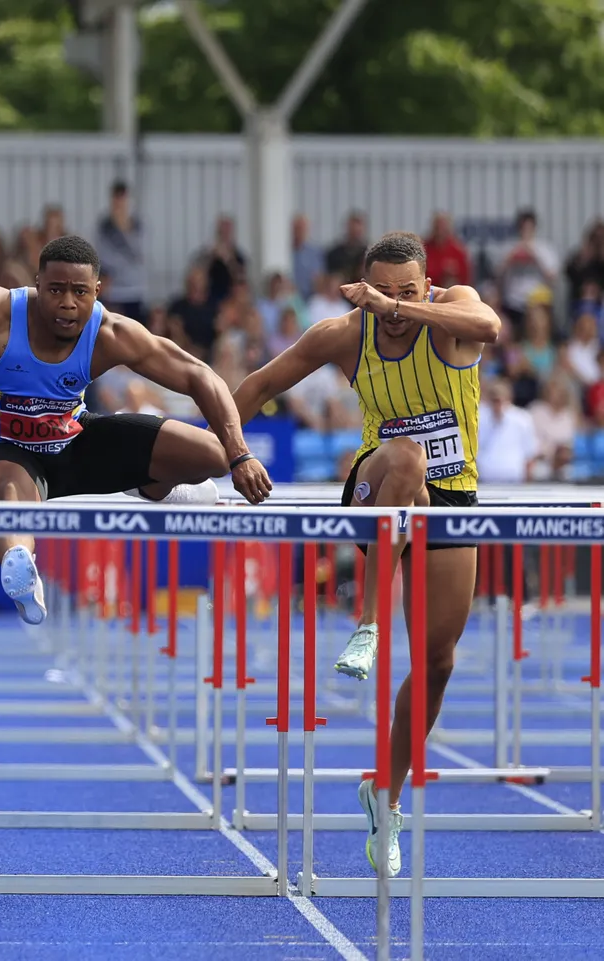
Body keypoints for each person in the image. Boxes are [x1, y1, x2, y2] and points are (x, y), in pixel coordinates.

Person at [231, 230, 500, 879]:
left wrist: (413, 309)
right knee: (404, 457)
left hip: (452, 496)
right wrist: (223, 453)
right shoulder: (344, 334)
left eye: (408, 292)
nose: (395, 306)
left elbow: (488, 322)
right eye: (384, 294)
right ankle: (368, 623)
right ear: (364, 288)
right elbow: (253, 386)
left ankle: (385, 790)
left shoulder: (452, 313)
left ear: (427, 286)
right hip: (375, 487)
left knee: (437, 662)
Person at [0, 235, 273, 625]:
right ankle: (22, 567)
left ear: (97, 292)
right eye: (55, 290)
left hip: (73, 441)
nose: (66, 303)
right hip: (3, 450)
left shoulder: (109, 334)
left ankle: (154, 485)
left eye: (80, 292)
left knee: (214, 455)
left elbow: (198, 375)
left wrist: (240, 454)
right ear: (37, 284)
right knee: (10, 496)